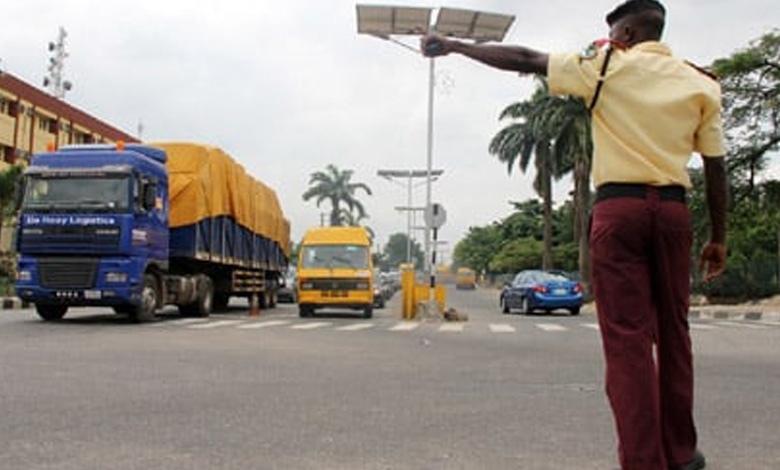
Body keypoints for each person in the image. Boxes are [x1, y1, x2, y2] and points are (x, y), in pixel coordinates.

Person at [421, 1, 727, 470]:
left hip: (618, 210)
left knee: (627, 340)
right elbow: (715, 164)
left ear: (624, 32)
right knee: (675, 333)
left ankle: (643, 460)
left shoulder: (604, 68)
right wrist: (718, 238)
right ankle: (681, 453)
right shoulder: (700, 82)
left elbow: (526, 59)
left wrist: (457, 47)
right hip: (672, 213)